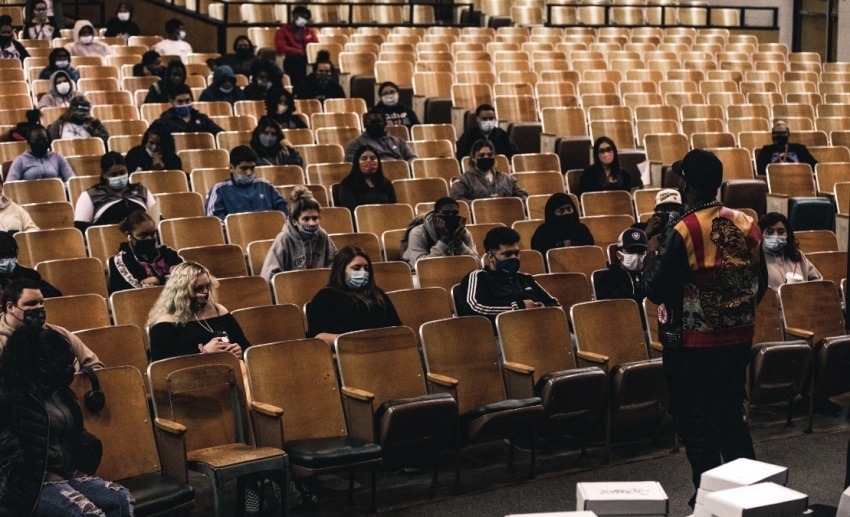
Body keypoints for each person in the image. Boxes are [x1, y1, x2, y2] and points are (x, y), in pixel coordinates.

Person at [642, 149, 764, 507]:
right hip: (737, 339)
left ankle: (709, 499)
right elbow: (761, 284)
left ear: (685, 183)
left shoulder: (683, 229)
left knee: (696, 425)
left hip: (691, 347)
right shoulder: (745, 221)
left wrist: (651, 246)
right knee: (730, 417)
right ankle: (756, 495)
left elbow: (655, 290)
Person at [0, 326, 134, 517]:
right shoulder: (9, 397)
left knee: (121, 499)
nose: (71, 371)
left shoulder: (60, 390)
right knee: (88, 514)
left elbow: (74, 434)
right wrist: (46, 476)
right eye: (65, 366)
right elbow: (11, 460)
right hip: (27, 486)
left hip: (65, 473)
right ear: (42, 365)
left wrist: (77, 465)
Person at [455, 226, 559, 325]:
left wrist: (544, 307)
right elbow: (474, 307)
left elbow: (555, 304)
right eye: (508, 254)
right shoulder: (479, 277)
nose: (514, 258)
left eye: (516, 253)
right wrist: (519, 307)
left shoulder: (525, 278)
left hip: (538, 329)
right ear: (491, 257)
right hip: (499, 336)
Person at [147, 261, 250, 361]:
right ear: (182, 292)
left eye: (207, 286)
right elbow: (160, 366)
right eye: (198, 288)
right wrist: (202, 353)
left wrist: (240, 351)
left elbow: (246, 346)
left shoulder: (219, 311)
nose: (205, 292)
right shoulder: (165, 322)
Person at [305, 246, 402, 346]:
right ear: (341, 270)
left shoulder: (377, 294)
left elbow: (398, 328)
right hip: (348, 352)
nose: (363, 272)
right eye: (356, 268)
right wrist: (354, 341)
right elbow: (317, 336)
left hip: (384, 348)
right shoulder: (325, 296)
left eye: (366, 268)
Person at [0, 278, 101, 368]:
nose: (39, 307)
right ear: (10, 307)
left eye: (41, 302)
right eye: (31, 303)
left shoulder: (60, 333)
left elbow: (95, 366)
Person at [260, 186, 336, 282]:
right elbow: (270, 276)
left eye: (315, 218)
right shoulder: (284, 239)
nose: (312, 223)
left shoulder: (322, 236)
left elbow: (335, 265)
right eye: (306, 219)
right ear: (295, 221)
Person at [73, 151, 155, 232]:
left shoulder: (141, 191)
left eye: (122, 172)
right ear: (104, 175)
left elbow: (156, 219)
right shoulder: (90, 195)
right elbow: (81, 228)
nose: (119, 177)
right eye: (113, 175)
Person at [206, 145, 288, 221]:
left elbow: (283, 211)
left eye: (252, 168)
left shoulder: (265, 185)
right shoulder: (219, 190)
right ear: (231, 168)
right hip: (236, 235)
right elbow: (214, 219)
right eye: (244, 168)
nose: (249, 173)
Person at [108, 211, 182, 293]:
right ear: (129, 235)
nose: (149, 238)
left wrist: (156, 280)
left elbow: (188, 276)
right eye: (143, 235)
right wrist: (170, 277)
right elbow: (135, 290)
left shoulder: (166, 252)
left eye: (153, 234)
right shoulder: (120, 261)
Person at [401, 196, 478, 267]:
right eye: (445, 213)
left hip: (451, 271)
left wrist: (459, 243)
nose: (451, 216)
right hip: (418, 276)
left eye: (455, 213)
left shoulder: (463, 233)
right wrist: (443, 240)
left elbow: (477, 264)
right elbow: (422, 266)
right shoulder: (418, 233)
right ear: (435, 217)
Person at [758, 211, 822, 291]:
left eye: (781, 232)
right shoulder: (757, 259)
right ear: (761, 234)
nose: (776, 236)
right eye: (770, 232)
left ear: (787, 234)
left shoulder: (796, 255)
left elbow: (818, 282)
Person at [450, 139, 527, 201]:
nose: (486, 157)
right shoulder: (464, 180)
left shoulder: (507, 178)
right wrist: (482, 206)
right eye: (481, 155)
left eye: (490, 155)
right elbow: (457, 200)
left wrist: (505, 204)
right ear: (473, 158)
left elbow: (523, 196)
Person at [530, 192, 594, 257]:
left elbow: (591, 255)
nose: (566, 213)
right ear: (552, 214)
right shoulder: (542, 234)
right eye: (561, 210)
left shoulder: (582, 230)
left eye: (569, 209)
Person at [594, 228, 647, 305]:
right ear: (619, 255)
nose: (636, 256)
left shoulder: (649, 275)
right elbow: (619, 306)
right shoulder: (607, 278)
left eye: (640, 251)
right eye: (630, 251)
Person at [0, 233, 61, 300]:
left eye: (10, 256)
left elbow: (55, 297)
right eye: (1, 256)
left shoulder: (29, 275)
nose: (6, 260)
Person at [6, 125, 75, 182]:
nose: (41, 143)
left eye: (44, 139)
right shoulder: (20, 160)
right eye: (37, 140)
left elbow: (72, 181)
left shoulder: (57, 157)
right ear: (29, 142)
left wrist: (60, 188)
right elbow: (10, 186)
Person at [338, 145, 397, 211]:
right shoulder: (347, 184)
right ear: (357, 162)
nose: (369, 161)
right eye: (364, 159)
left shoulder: (386, 183)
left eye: (373, 158)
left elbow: (393, 208)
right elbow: (351, 211)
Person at [343, 111, 416, 163]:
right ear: (364, 125)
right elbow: (352, 165)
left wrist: (402, 166)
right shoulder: (355, 144)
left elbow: (412, 159)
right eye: (369, 121)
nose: (373, 124)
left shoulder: (399, 141)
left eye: (378, 121)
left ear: (385, 124)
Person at [155, 84, 224, 136]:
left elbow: (221, 134)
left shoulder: (202, 118)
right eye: (180, 101)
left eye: (187, 101)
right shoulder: (165, 121)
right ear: (172, 101)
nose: (184, 104)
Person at [275, 5, 317, 86]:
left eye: (305, 18)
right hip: (292, 59)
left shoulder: (309, 31)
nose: (303, 20)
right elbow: (281, 47)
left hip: (307, 57)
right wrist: (298, 52)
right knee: (296, 61)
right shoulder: (283, 31)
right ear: (294, 16)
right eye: (300, 16)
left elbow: (315, 45)